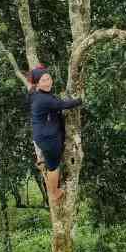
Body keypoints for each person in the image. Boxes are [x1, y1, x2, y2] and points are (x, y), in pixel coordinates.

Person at [25, 66, 82, 203]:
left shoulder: (34, 93)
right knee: (53, 168)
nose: (48, 82)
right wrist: (80, 100)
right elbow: (64, 104)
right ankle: (54, 193)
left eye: (49, 78)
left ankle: (42, 159)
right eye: (44, 80)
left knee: (49, 160)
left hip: (39, 134)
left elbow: (31, 84)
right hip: (48, 140)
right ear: (37, 83)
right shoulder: (45, 100)